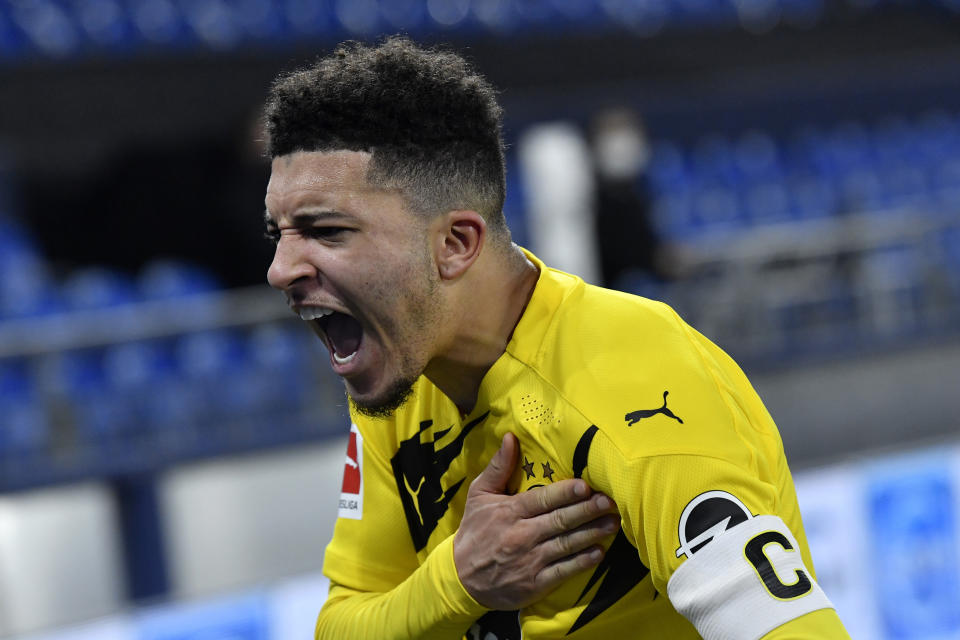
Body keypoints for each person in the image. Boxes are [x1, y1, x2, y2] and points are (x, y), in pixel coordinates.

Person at [262, 37, 850, 640]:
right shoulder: (403, 374)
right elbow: (341, 623)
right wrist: (457, 583)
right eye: (278, 233)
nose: (280, 269)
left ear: (455, 245)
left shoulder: (634, 380)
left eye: (325, 230)